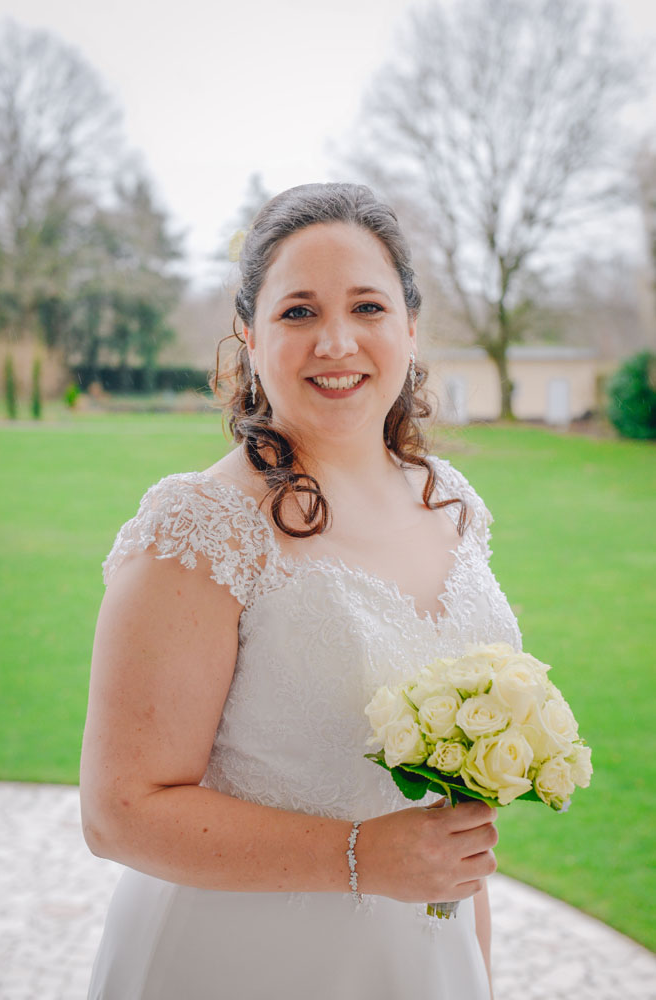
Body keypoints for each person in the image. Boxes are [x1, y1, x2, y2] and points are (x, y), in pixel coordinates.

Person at [81, 182, 522, 999]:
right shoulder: (201, 526)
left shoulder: (449, 503)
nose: (336, 341)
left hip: (421, 962)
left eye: (366, 307)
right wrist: (360, 857)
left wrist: (472, 966)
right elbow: (120, 812)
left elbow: (453, 817)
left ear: (409, 326)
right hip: (236, 962)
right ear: (249, 335)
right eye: (298, 312)